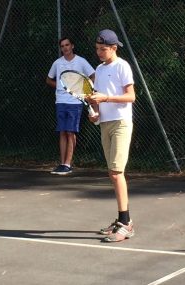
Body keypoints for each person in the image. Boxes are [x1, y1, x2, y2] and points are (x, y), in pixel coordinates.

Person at [88, 29, 136, 242]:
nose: (99, 52)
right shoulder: (98, 69)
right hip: (105, 124)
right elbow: (97, 100)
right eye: (97, 49)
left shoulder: (122, 66)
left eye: (103, 49)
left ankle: (126, 224)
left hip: (121, 124)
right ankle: (121, 220)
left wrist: (106, 97)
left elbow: (131, 96)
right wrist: (95, 112)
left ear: (114, 48)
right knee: (112, 172)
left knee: (117, 172)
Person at [46, 37, 95, 175]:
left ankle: (68, 164)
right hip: (60, 101)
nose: (65, 48)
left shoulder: (81, 61)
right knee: (62, 131)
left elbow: (93, 76)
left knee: (70, 132)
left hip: (75, 102)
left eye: (67, 45)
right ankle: (62, 164)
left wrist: (82, 90)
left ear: (72, 46)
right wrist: (64, 88)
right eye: (62, 46)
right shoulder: (57, 63)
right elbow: (49, 80)